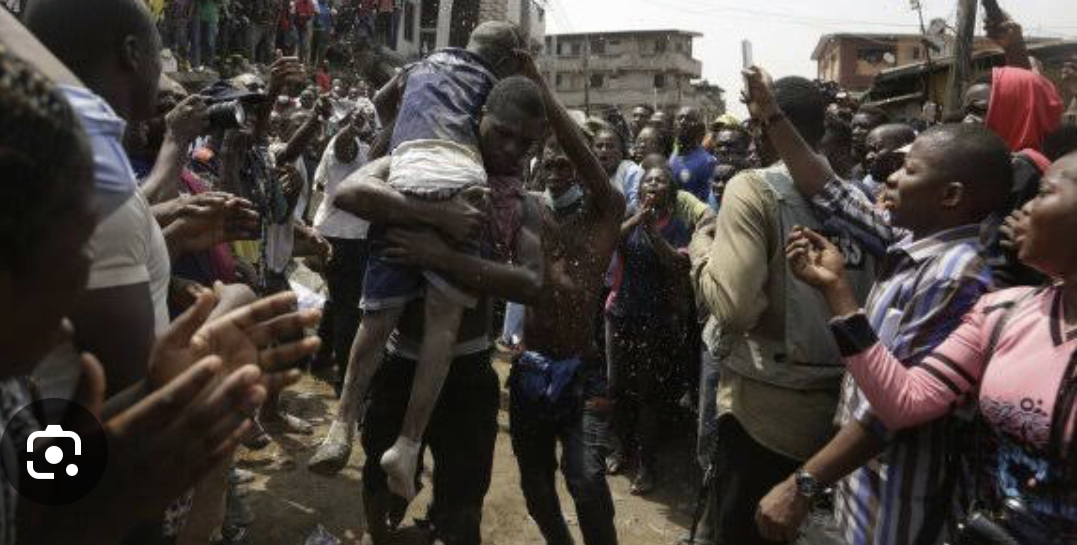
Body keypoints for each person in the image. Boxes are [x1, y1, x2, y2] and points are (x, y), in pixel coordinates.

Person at [743, 67, 1016, 545]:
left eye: (909, 171)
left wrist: (804, 482)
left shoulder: (955, 275)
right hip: (866, 490)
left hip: (901, 508)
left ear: (950, 197)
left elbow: (894, 407)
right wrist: (770, 113)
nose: (891, 177)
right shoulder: (909, 242)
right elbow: (823, 183)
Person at [787, 149, 1077, 545]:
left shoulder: (959, 275)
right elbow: (904, 400)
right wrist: (837, 291)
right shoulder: (1006, 312)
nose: (1021, 210)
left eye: (1044, 193)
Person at [306, 22, 527, 502]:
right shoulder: (494, 89)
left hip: (405, 169)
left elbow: (385, 111)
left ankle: (340, 424)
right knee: (442, 325)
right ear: (507, 60)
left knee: (376, 316)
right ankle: (407, 446)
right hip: (459, 175)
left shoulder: (420, 67)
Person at [327, 75, 548, 545]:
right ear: (479, 118)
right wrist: (436, 215)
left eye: (526, 142)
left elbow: (530, 283)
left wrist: (442, 258)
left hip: (468, 367)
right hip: (399, 359)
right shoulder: (420, 160)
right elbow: (349, 193)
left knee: (463, 509)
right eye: (503, 132)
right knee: (380, 487)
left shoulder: (518, 202)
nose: (511, 148)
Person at [687, 73, 876, 545]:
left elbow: (732, 307)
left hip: (762, 422)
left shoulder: (751, 188)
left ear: (760, 127)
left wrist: (701, 252)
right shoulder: (858, 202)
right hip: (842, 430)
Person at [504, 53, 625, 545]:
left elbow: (586, 162)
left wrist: (540, 86)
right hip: (532, 368)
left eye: (566, 162)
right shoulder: (529, 209)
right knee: (536, 488)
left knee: (587, 480)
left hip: (584, 369)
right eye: (548, 161)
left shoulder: (606, 210)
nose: (556, 170)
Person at [605, 157, 710, 495]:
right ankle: (621, 449)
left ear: (671, 190)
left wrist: (652, 232)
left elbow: (679, 265)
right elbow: (609, 242)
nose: (652, 185)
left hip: (658, 318)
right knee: (618, 386)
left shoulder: (678, 225)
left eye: (660, 181)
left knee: (650, 393)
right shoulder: (629, 217)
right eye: (647, 181)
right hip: (621, 312)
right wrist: (638, 219)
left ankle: (647, 465)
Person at [310, 110, 372, 386]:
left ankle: (321, 359)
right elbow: (343, 148)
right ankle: (344, 380)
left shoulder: (367, 147)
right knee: (349, 308)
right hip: (344, 237)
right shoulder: (346, 144)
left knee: (336, 302)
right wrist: (351, 130)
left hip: (338, 233)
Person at [857, 123, 916, 201]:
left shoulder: (917, 194)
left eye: (875, 149)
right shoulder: (872, 189)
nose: (868, 157)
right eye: (867, 151)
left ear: (902, 151)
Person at [670, 106, 717, 203]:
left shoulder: (707, 162)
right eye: (680, 118)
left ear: (699, 128)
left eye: (689, 119)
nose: (682, 122)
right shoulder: (671, 155)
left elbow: (708, 202)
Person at [594, 127, 642, 204]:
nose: (604, 150)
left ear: (620, 152)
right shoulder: (587, 173)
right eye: (599, 146)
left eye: (610, 146)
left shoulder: (632, 172)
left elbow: (634, 206)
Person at [848, 105, 889, 180]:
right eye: (853, 127)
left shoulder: (893, 169)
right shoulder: (856, 173)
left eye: (863, 127)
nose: (855, 132)